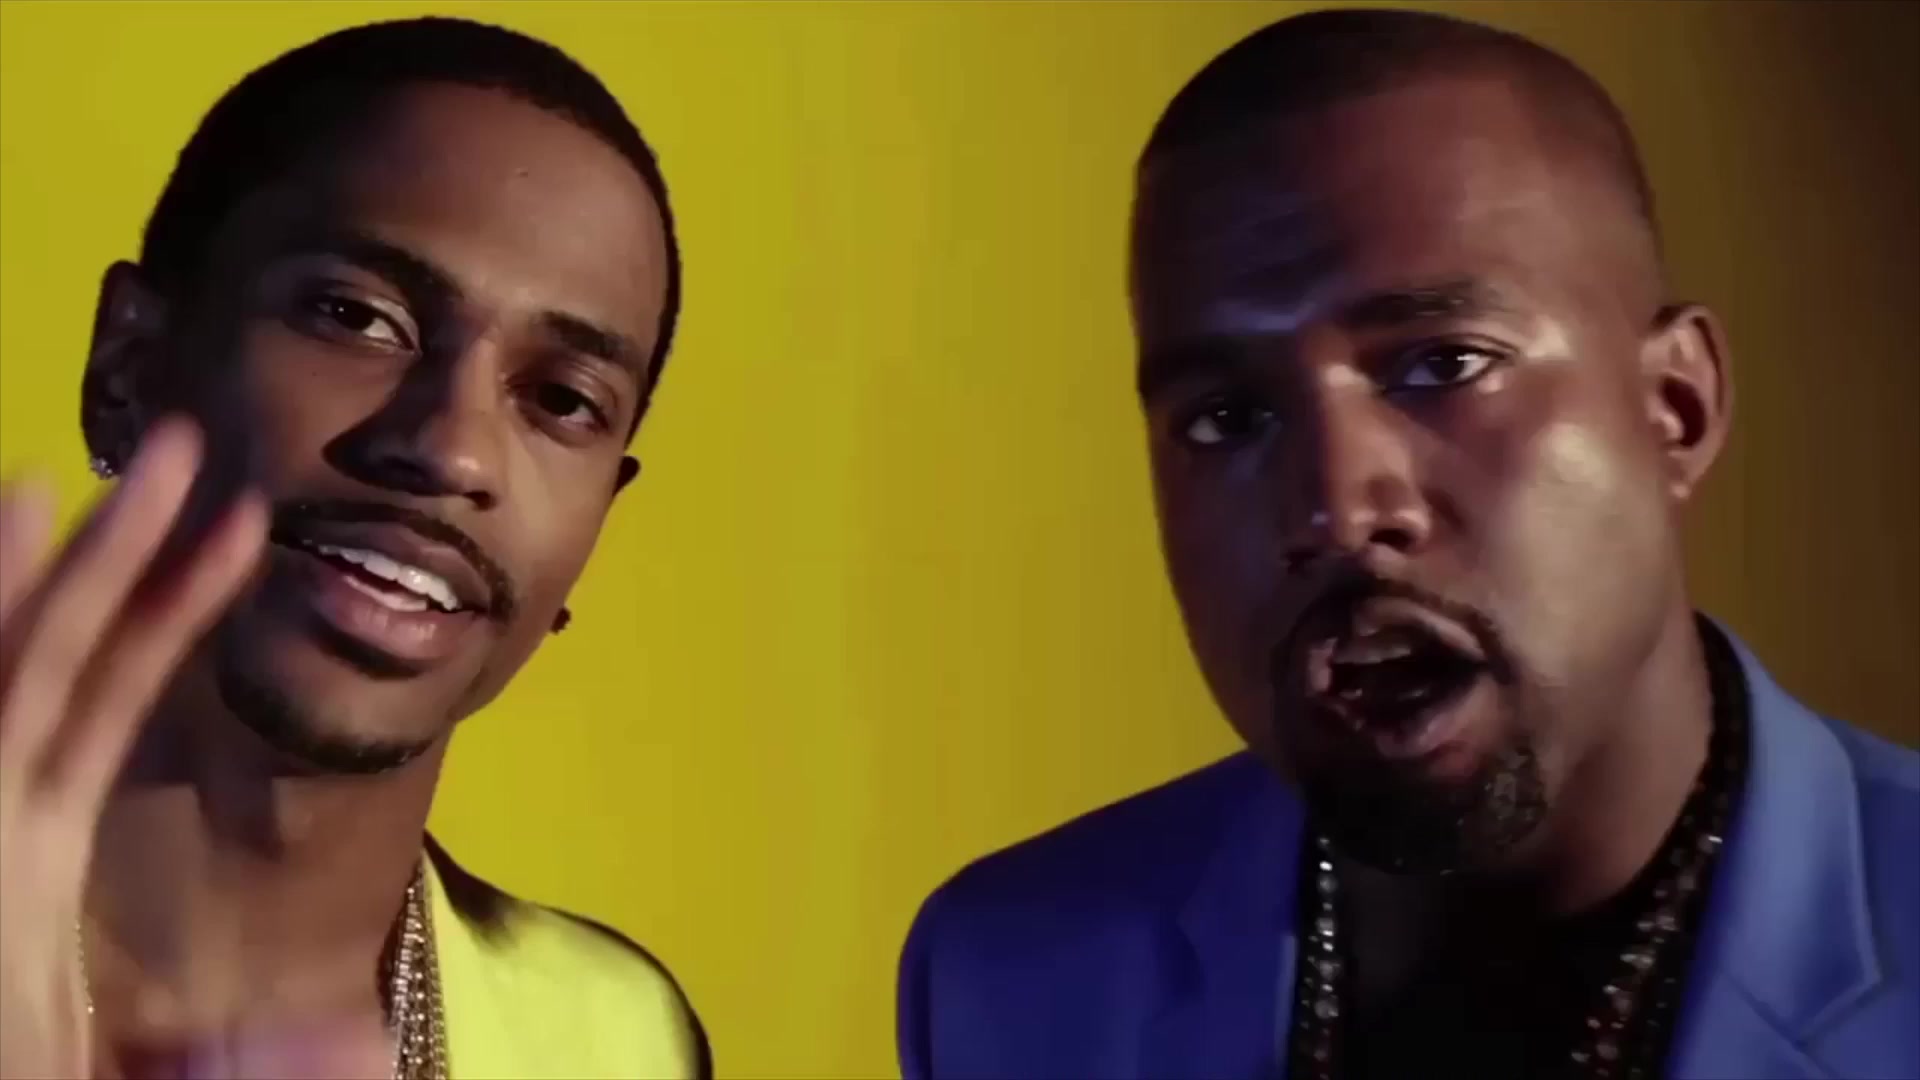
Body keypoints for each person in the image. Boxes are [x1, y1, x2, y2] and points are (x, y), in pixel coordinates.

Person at [897, 9, 1920, 1079]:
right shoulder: (1013, 983)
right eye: (1227, 419)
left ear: (1677, 409)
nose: (1337, 509)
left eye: (1443, 365)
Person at [0, 17, 709, 1079]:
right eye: (357, 316)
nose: (452, 449)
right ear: (129, 367)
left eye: (563, 400)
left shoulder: (615, 1042)